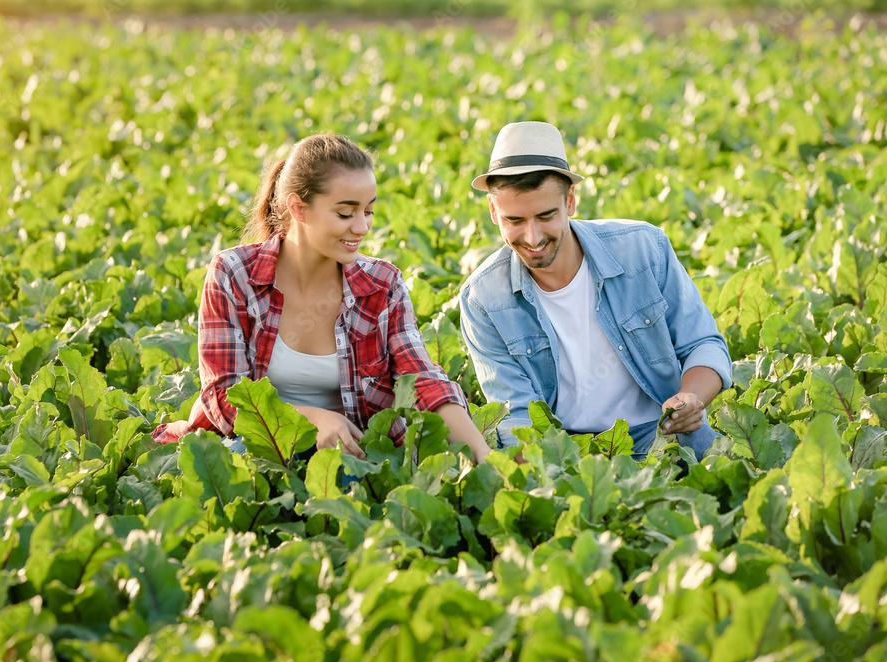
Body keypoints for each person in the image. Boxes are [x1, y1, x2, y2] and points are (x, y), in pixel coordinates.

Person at [153, 133, 491, 464]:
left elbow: (423, 380)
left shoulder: (383, 284)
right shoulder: (234, 274)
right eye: (346, 214)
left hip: (354, 460)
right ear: (298, 209)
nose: (361, 227)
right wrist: (314, 419)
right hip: (251, 451)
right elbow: (224, 396)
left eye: (368, 212)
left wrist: (482, 454)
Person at [459, 121, 732, 459]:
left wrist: (691, 398)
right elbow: (516, 418)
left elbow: (704, 343)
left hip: (666, 437)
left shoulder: (643, 248)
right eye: (514, 221)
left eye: (546, 216)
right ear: (493, 212)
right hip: (567, 452)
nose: (532, 238)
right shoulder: (483, 299)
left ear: (570, 202)